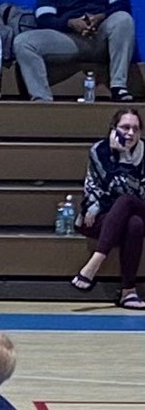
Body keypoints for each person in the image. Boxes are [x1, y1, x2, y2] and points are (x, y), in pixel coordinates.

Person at [14, 0, 135, 103]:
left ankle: (118, 87)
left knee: (123, 19)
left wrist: (100, 17)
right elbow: (44, 19)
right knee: (23, 41)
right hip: (70, 39)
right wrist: (70, 22)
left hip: (101, 36)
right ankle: (42, 99)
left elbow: (122, 4)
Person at [71, 108, 145, 310]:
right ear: (114, 129)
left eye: (135, 129)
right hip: (103, 215)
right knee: (133, 224)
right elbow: (95, 188)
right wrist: (119, 160)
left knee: (127, 201)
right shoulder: (99, 151)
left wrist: (125, 160)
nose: (130, 133)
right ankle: (128, 292)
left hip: (140, 208)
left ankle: (95, 261)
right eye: (125, 127)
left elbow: (139, 195)